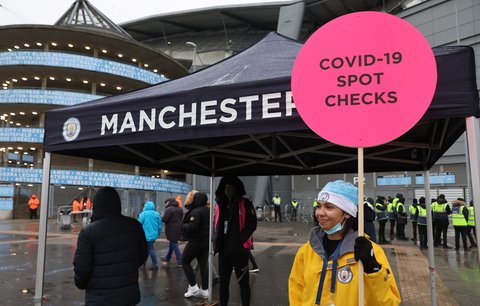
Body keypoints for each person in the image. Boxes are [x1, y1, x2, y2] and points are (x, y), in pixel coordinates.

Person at [288, 180, 401, 306]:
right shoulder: (306, 251)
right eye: (318, 206)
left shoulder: (371, 251)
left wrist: (373, 269)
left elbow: (389, 303)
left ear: (347, 213)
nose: (320, 213)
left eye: (329, 207)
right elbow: (296, 293)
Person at [73, 186, 148, 306]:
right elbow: (142, 255)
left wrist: (81, 283)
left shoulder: (88, 231)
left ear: (96, 205)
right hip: (128, 295)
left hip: (100, 298)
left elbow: (82, 267)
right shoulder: (134, 226)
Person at [214, 175, 257, 306]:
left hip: (239, 252)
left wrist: (240, 241)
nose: (227, 190)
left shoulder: (245, 203)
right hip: (223, 252)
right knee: (223, 284)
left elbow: (251, 224)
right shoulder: (221, 204)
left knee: (243, 284)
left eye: (230, 187)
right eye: (225, 187)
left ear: (236, 189)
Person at [181, 190, 210, 299]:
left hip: (196, 241)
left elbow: (192, 227)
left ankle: (193, 286)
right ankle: (205, 290)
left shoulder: (196, 211)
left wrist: (184, 225)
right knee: (203, 265)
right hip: (206, 241)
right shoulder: (208, 210)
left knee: (185, 261)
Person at [138, 201, 162, 270]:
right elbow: (159, 225)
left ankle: (155, 264)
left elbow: (139, 224)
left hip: (145, 235)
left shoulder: (143, 214)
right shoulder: (156, 214)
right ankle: (144, 262)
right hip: (154, 235)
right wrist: (158, 233)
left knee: (150, 249)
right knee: (148, 248)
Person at [161, 198, 183, 268]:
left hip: (171, 229)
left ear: (169, 202)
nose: (165, 204)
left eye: (166, 203)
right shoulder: (179, 209)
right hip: (178, 228)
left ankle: (179, 262)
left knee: (174, 244)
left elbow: (164, 219)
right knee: (172, 243)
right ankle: (168, 257)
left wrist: (162, 217)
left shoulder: (169, 209)